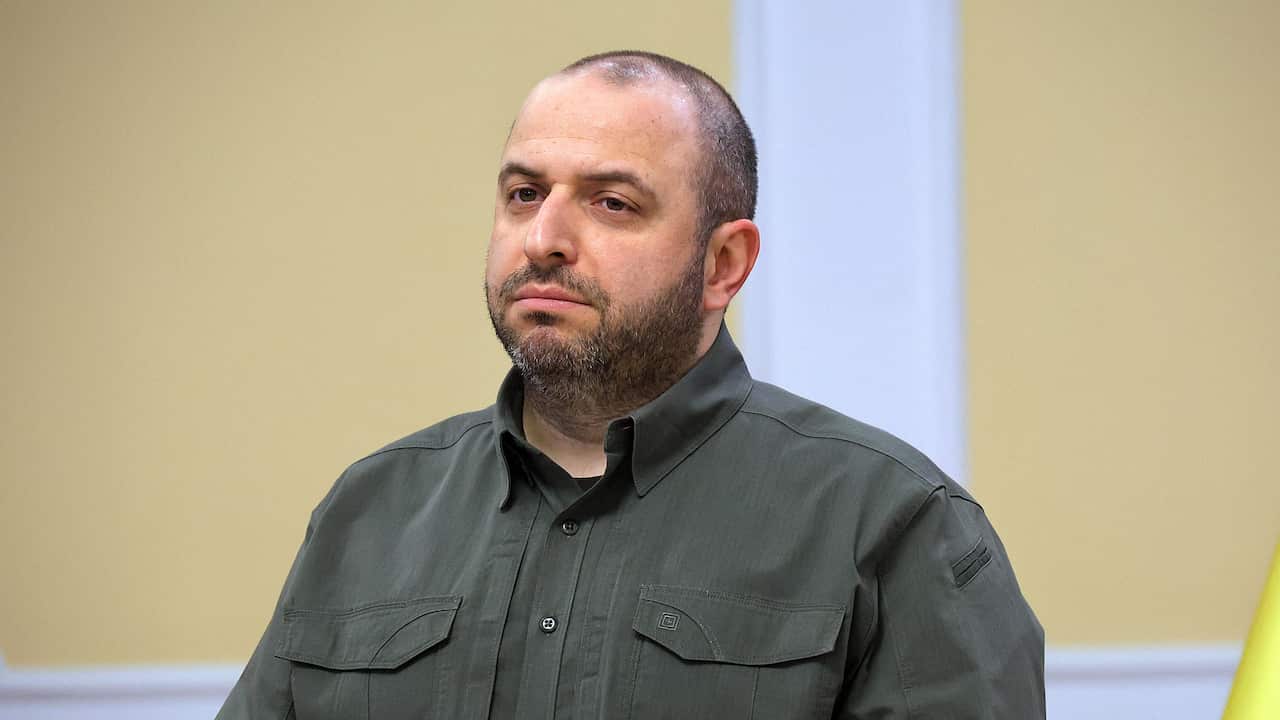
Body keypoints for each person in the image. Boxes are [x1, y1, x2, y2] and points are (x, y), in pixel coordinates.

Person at [217, 50, 1044, 719]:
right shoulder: (370, 510)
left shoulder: (892, 522)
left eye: (611, 203)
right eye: (524, 194)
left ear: (723, 264)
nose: (543, 239)